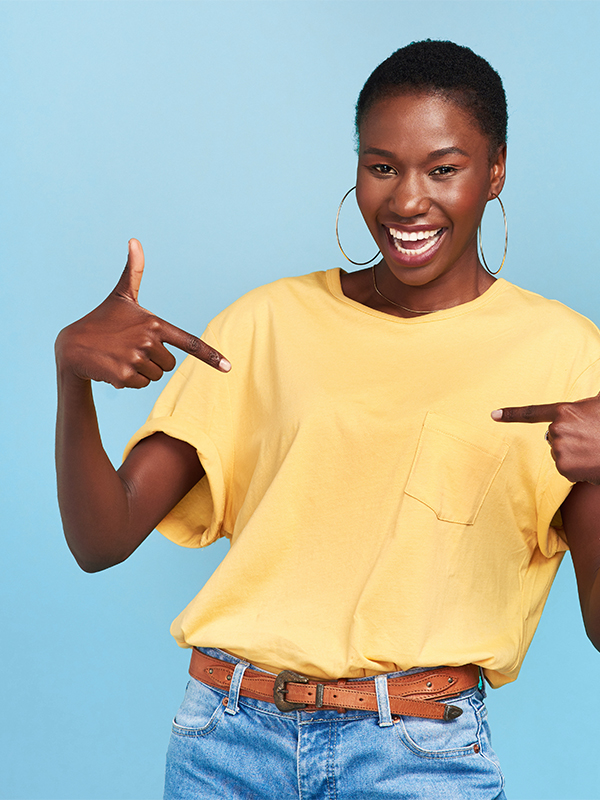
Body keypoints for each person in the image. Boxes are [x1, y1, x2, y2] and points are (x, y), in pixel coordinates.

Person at [55, 40, 600, 800]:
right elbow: (101, 539)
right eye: (382, 167)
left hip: (419, 756)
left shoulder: (567, 355)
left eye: (443, 169)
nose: (407, 201)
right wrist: (70, 376)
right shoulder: (266, 324)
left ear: (496, 170)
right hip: (225, 744)